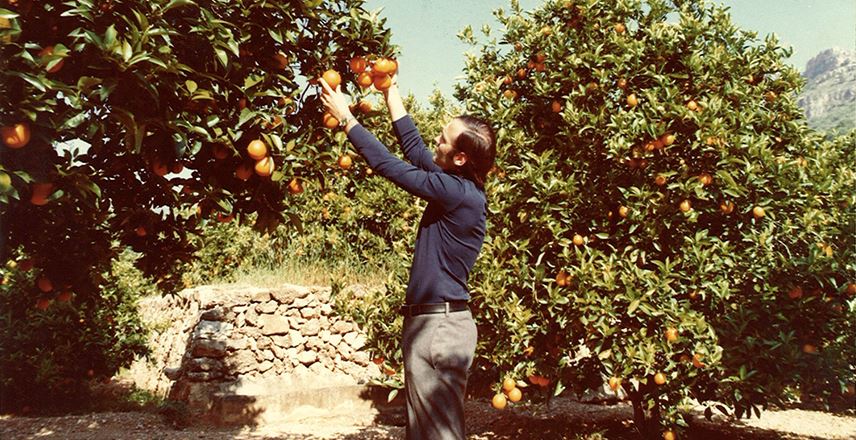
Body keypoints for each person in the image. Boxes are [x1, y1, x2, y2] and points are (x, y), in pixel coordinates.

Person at [319, 72, 496, 440]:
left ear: (460, 158)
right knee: (426, 433)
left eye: (444, 140)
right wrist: (390, 90)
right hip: (430, 324)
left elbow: (391, 166)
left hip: (439, 328)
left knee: (439, 435)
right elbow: (414, 150)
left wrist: (347, 118)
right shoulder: (456, 186)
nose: (437, 139)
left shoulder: (457, 194)